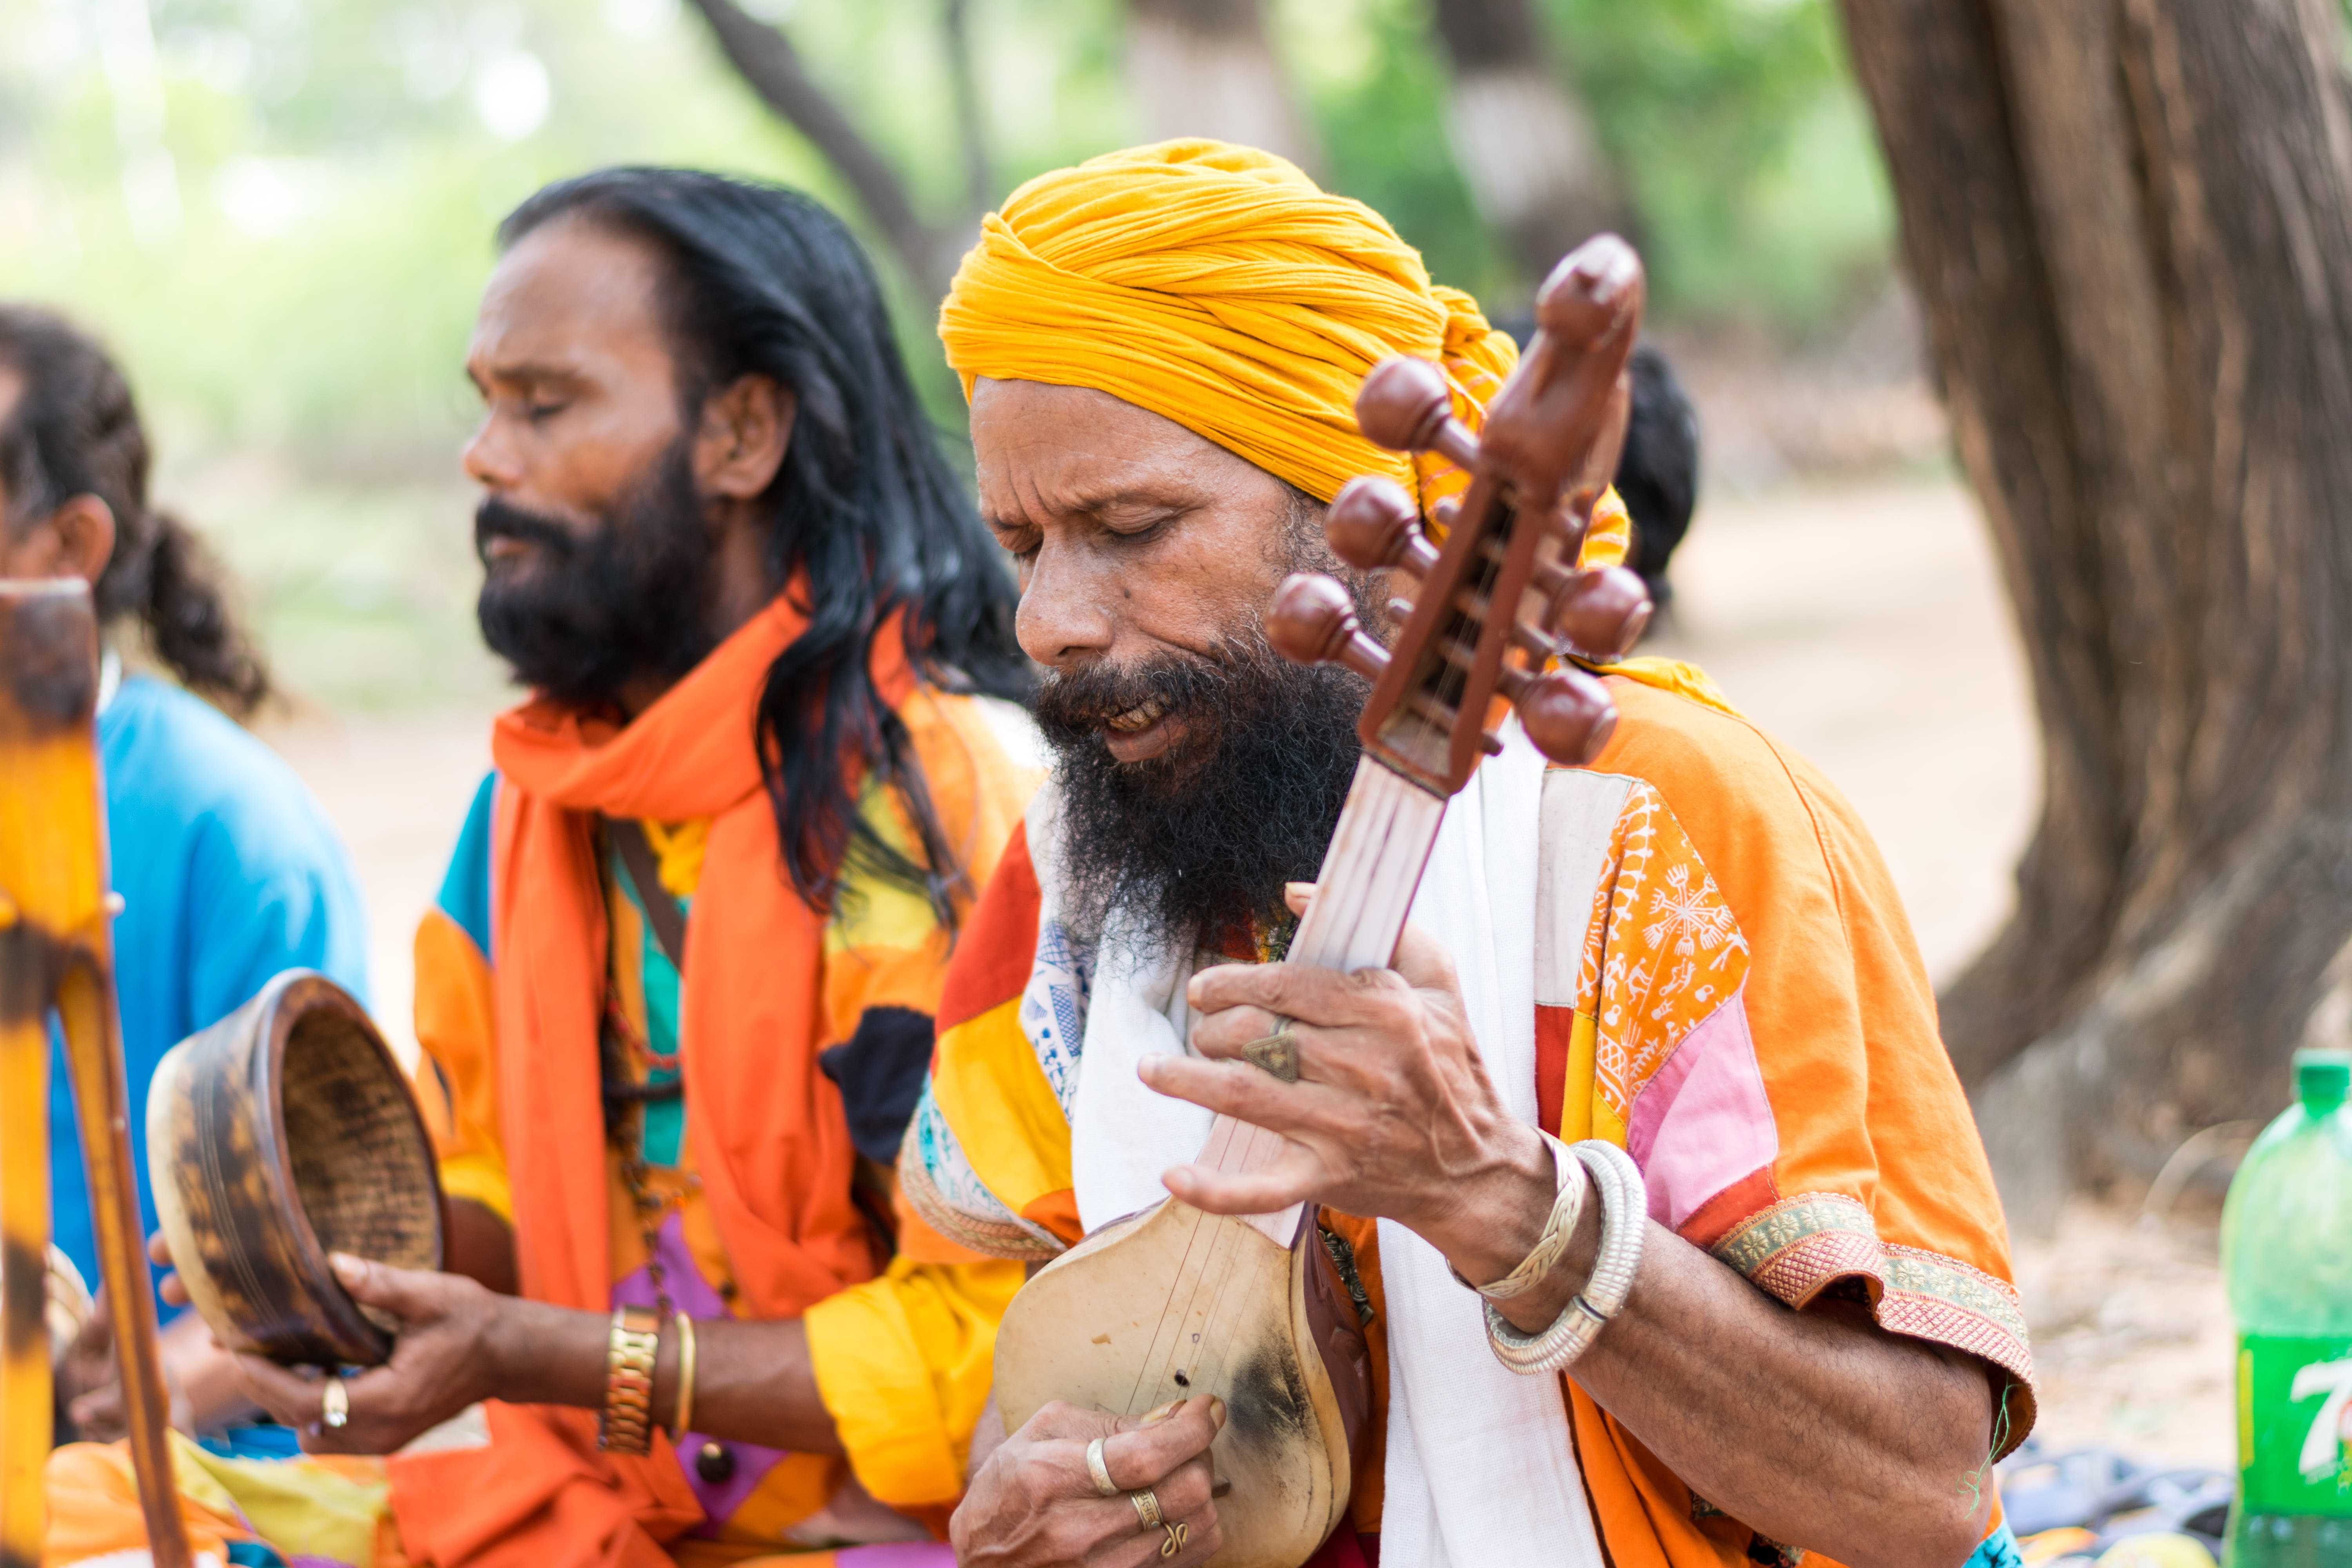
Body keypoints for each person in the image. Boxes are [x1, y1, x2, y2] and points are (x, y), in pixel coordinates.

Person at [906, 142, 2032, 1568]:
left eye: (1131, 529)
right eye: (1022, 545)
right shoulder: (1080, 870)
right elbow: (1005, 1352)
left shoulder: (1664, 826)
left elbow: (1920, 1496)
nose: (1050, 620)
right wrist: (1034, 1489)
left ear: (1380, 524)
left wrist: (1505, 1206)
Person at [47, 169, 1040, 1568]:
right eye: (484, 401)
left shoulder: (933, 807)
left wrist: (555, 1355)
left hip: (876, 1538)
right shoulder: (525, 812)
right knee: (69, 1521)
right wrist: (287, 1298)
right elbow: (498, 1182)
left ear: (744, 432)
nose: (485, 458)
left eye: (546, 402)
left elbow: (994, 1335)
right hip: (584, 1508)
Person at [0, 306, 370, 1444]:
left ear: (70, 548)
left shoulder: (233, 829)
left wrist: (137, 1389)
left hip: (166, 1496)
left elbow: (337, 1245)